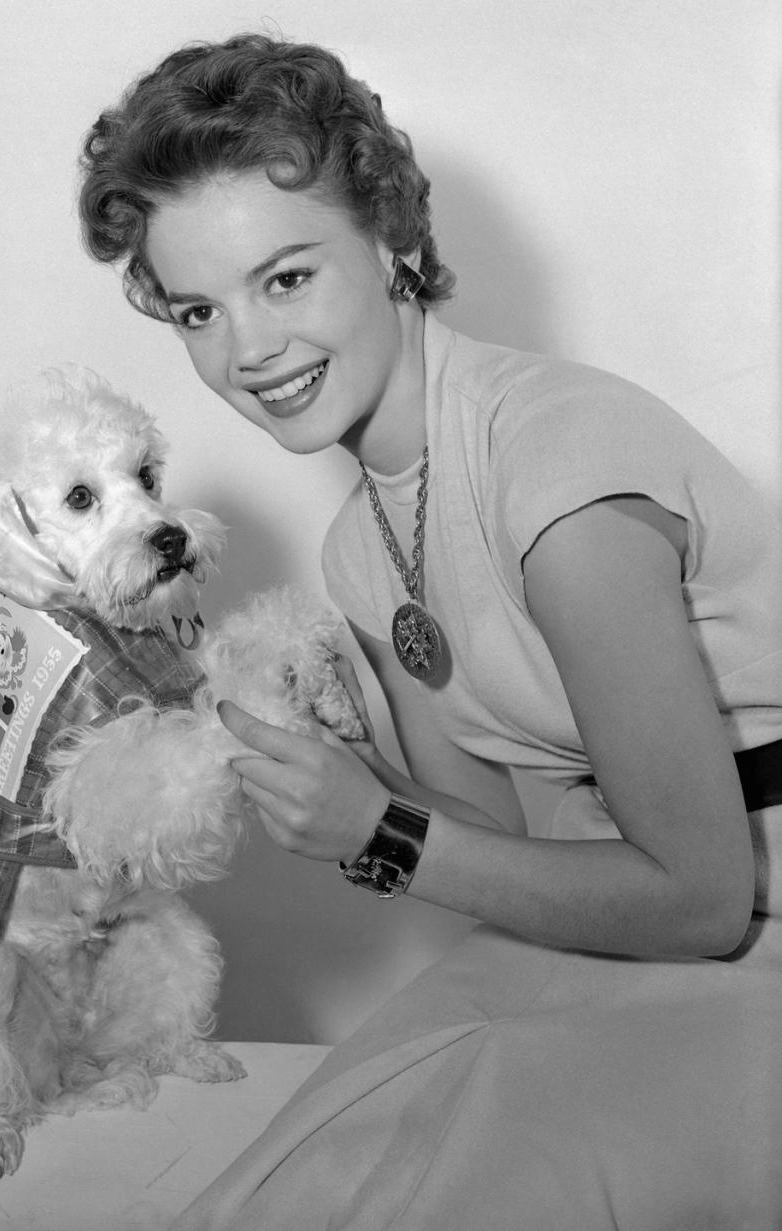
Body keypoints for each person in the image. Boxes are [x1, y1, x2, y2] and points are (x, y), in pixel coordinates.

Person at [78, 33, 782, 1229]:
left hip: (746, 927)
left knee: (490, 1177)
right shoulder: (363, 546)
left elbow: (704, 898)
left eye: (286, 277)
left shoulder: (556, 466)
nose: (247, 351)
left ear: (395, 241)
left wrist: (385, 830)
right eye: (200, 309)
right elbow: (501, 849)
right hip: (622, 937)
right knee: (298, 1180)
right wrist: (329, 783)